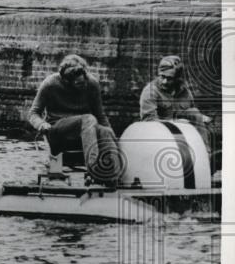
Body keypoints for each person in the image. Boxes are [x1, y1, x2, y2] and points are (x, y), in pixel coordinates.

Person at [27, 54, 122, 185]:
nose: (83, 85)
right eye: (78, 83)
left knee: (105, 131)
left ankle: (114, 177)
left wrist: (113, 139)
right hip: (57, 131)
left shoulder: (92, 84)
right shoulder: (50, 84)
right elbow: (33, 113)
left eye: (84, 81)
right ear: (67, 81)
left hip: (87, 133)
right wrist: (41, 124)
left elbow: (101, 116)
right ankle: (93, 169)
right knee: (89, 119)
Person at [139, 55, 211, 147]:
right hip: (157, 137)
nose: (164, 81)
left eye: (169, 78)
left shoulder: (184, 91)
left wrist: (201, 118)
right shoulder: (150, 91)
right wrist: (176, 123)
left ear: (177, 79)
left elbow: (191, 110)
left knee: (195, 113)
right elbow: (149, 122)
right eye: (162, 76)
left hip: (181, 134)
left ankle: (204, 152)